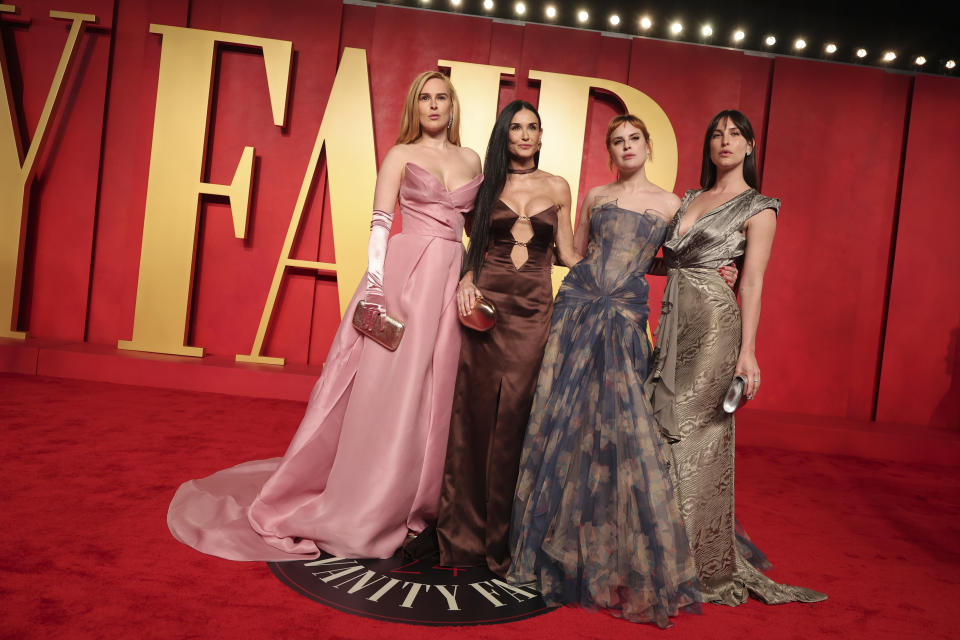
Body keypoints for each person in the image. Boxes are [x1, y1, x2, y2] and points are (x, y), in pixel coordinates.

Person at [166, 71, 483, 561]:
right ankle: (374, 497)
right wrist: (376, 290)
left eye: (442, 97)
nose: (434, 106)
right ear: (415, 107)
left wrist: (471, 275)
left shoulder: (471, 159)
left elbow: (474, 230)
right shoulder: (400, 154)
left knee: (438, 393)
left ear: (452, 105)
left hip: (450, 278)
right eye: (425, 98)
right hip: (405, 279)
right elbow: (381, 224)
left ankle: (422, 500)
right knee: (391, 392)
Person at [507, 115, 701, 627]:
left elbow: (676, 261)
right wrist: (512, 251)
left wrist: (717, 269)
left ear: (647, 144)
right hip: (577, 307)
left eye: (634, 138)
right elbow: (572, 252)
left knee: (616, 429)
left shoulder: (671, 204)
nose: (627, 146)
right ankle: (552, 549)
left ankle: (609, 553)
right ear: (611, 152)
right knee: (563, 421)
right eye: (618, 141)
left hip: (624, 316)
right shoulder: (594, 193)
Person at [648, 109, 826, 605]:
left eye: (735, 135)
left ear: (750, 146)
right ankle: (661, 554)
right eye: (717, 134)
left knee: (692, 436)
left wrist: (748, 354)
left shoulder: (760, 207)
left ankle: (692, 568)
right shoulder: (688, 199)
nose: (725, 141)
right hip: (672, 325)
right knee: (659, 431)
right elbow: (668, 258)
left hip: (714, 330)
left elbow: (751, 281)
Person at [436, 100, 580, 576]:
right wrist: (464, 279)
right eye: (515, 127)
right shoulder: (487, 183)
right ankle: (463, 534)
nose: (524, 135)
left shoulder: (558, 186)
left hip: (534, 312)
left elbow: (569, 255)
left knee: (517, 419)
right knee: (473, 418)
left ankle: (507, 536)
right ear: (506, 134)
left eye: (532, 127)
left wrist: (647, 262)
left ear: (541, 136)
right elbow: (472, 245)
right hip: (486, 309)